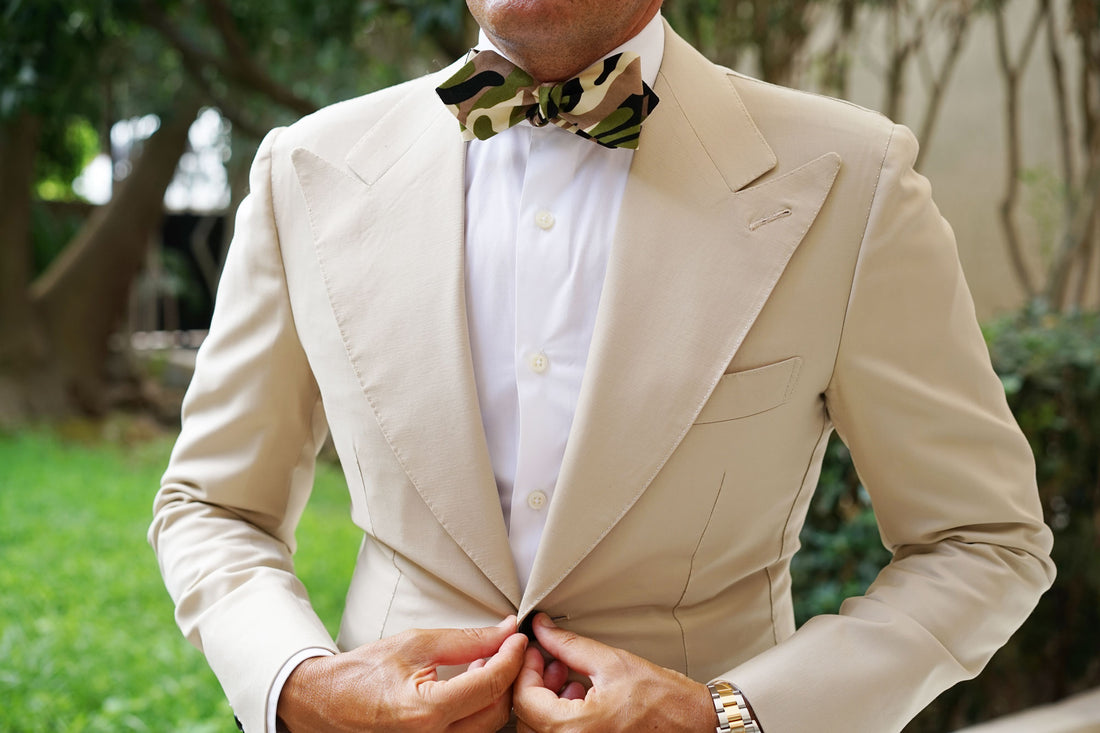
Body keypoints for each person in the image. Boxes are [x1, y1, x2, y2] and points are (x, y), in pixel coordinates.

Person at [149, 0, 1055, 731]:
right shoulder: (307, 169)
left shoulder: (853, 179)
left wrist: (730, 716)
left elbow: (983, 540)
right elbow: (212, 505)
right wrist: (299, 685)